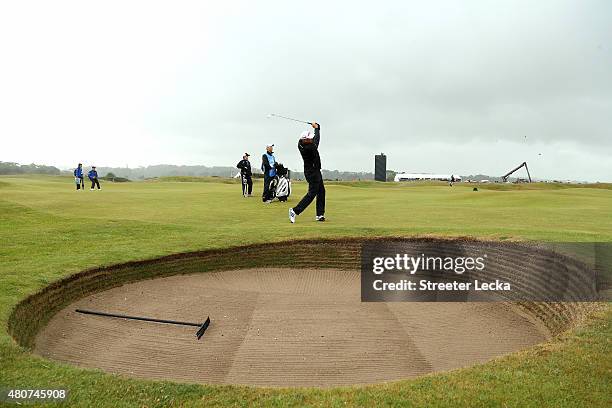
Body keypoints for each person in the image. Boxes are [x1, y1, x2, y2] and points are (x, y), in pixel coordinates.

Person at [289, 122, 325, 223]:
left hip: (313, 171)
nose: (311, 139)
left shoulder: (301, 143)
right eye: (309, 138)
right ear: (305, 139)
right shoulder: (309, 147)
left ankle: (320, 214)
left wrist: (317, 129)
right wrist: (317, 128)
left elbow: (313, 139)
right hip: (312, 172)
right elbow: (316, 141)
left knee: (321, 192)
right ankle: (294, 211)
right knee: (312, 193)